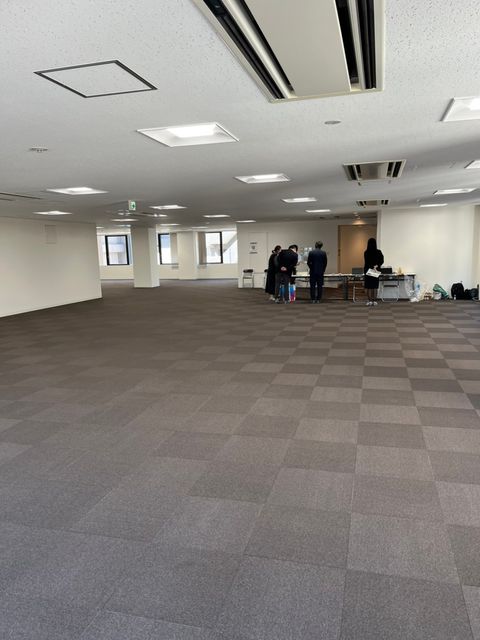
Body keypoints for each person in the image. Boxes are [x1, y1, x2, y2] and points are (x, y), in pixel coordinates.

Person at [364, 237, 384, 306]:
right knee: (375, 286)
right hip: (375, 270)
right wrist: (377, 266)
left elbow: (367, 262)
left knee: (369, 287)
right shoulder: (379, 252)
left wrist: (372, 266)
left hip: (368, 271)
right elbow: (382, 260)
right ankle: (374, 301)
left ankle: (369, 301)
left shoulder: (366, 252)